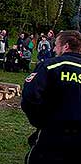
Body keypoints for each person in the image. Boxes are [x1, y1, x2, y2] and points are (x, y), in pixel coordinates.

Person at [22, 30, 81, 163]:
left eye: (56, 45)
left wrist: (39, 120)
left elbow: (30, 95)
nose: (54, 48)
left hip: (53, 134)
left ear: (65, 46)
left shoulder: (50, 66)